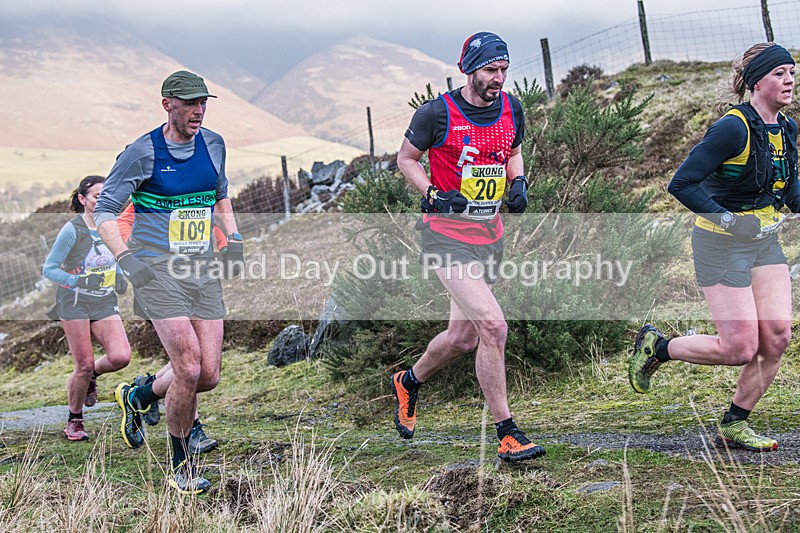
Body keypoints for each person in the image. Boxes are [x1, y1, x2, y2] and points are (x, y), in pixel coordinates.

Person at [629, 43, 799, 452]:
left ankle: (734, 423)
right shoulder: (732, 128)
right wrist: (729, 220)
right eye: (779, 73)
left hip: (763, 244)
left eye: (792, 72)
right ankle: (659, 347)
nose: (790, 80)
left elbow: (789, 188)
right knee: (740, 347)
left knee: (777, 337)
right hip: (720, 245)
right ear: (756, 82)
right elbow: (681, 183)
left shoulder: (786, 128)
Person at [392, 32, 544, 462]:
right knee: (493, 326)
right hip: (446, 237)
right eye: (491, 70)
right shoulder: (436, 113)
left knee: (461, 338)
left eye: (504, 70)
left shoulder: (512, 108)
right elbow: (406, 158)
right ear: (469, 69)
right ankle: (507, 433)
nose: (499, 78)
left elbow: (512, 151)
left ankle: (409, 381)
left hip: (489, 237)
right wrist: (432, 195)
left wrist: (518, 182)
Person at [94, 70, 244, 493]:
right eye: (190, 103)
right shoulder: (141, 153)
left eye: (203, 103)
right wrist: (125, 259)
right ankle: (181, 467)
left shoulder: (214, 144)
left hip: (202, 268)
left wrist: (233, 239)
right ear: (167, 105)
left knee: (207, 374)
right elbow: (105, 211)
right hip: (156, 267)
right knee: (188, 366)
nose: (199, 111)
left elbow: (219, 194)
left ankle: (140, 396)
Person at [118, 201, 223, 454]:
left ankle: (140, 395)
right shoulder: (161, 189)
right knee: (189, 364)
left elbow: (213, 216)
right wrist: (137, 258)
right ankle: (191, 429)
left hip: (197, 278)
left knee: (201, 367)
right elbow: (123, 222)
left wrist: (223, 244)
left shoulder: (201, 186)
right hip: (160, 283)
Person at [42, 175, 132, 441]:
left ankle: (93, 376)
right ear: (82, 199)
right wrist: (78, 280)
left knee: (120, 357)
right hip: (74, 302)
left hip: (103, 300)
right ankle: (74, 420)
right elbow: (49, 269)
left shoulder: (112, 225)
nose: (102, 200)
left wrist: (120, 276)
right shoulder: (72, 230)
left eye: (106, 196)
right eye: (96, 196)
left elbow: (115, 256)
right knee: (83, 365)